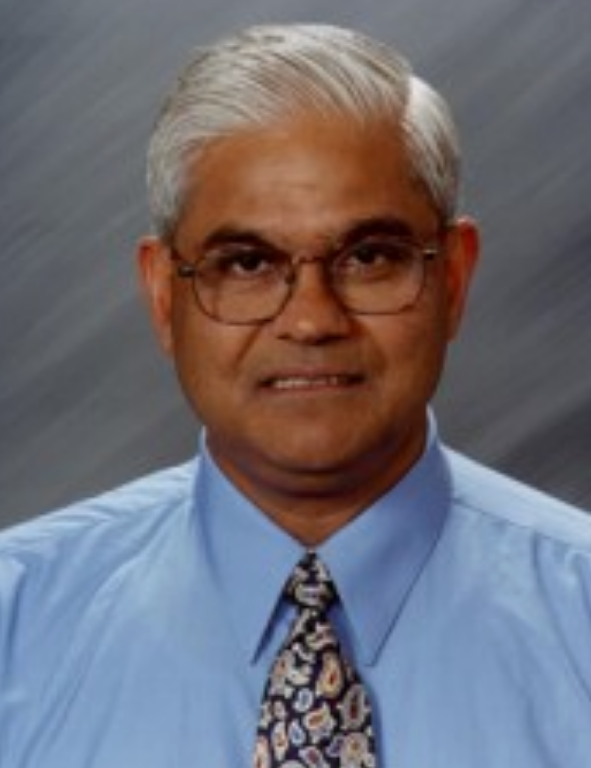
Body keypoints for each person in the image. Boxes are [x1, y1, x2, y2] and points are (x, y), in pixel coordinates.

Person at [1, 22, 590, 768]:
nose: (311, 319)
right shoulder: (13, 627)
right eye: (245, 263)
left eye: (369, 257)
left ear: (452, 278)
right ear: (160, 295)